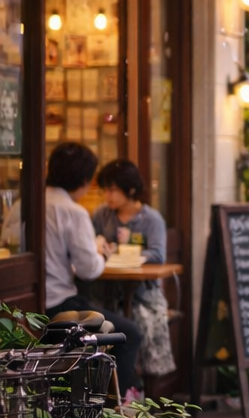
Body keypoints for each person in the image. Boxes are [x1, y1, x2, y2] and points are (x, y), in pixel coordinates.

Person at [45, 141, 143, 398]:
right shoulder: (72, 212)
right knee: (128, 335)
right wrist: (100, 252)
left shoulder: (26, 203)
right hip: (59, 306)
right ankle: (107, 413)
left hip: (22, 309)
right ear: (85, 179)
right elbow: (89, 270)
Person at [93, 158, 175, 380]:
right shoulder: (102, 215)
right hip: (106, 293)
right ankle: (113, 385)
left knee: (142, 323)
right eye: (105, 190)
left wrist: (122, 254)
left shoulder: (151, 219)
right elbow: (91, 243)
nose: (107, 196)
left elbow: (158, 254)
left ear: (130, 189)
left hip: (143, 295)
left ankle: (136, 386)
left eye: (112, 190)